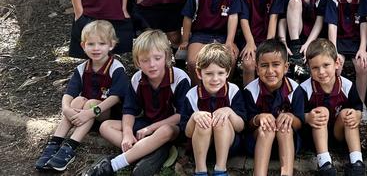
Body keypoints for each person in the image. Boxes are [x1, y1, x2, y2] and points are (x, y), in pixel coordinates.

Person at [83, 30, 191, 176]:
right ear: (138, 61)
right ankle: (152, 152)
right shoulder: (137, 79)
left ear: (166, 56)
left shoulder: (179, 78)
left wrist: (151, 129)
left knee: (166, 130)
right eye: (145, 60)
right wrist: (127, 133)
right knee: (105, 126)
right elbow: (129, 109)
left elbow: (181, 115)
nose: (152, 65)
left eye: (157, 58)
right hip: (147, 124)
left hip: (171, 128)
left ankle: (113, 165)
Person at [35, 21, 127, 171]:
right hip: (84, 114)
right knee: (77, 100)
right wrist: (66, 109)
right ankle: (54, 144)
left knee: (90, 102)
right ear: (83, 46)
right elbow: (69, 93)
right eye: (91, 44)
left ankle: (70, 148)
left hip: (106, 115)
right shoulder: (82, 68)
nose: (96, 48)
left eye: (101, 43)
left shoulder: (116, 68)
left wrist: (90, 112)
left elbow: (115, 98)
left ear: (111, 45)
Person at [300, 39, 365, 176]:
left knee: (349, 113)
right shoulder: (305, 89)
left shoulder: (347, 85)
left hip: (338, 134)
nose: (321, 72)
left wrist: (357, 115)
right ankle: (324, 163)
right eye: (315, 68)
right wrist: (307, 117)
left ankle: (357, 162)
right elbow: (297, 114)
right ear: (309, 68)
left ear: (337, 63)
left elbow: (358, 107)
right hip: (314, 136)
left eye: (326, 65)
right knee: (320, 111)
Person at [180, 43, 246, 176]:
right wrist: (194, 117)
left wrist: (229, 111)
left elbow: (241, 127)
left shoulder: (233, 91)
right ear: (199, 73)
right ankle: (200, 170)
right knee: (202, 121)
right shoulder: (192, 95)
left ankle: (220, 169)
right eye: (209, 73)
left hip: (228, 147)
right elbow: (186, 133)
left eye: (220, 73)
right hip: (200, 148)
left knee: (221, 120)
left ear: (227, 72)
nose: (215, 79)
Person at [242, 39, 305, 176]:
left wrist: (291, 118)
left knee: (285, 127)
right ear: (257, 69)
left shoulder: (295, 90)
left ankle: (286, 173)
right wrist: (259, 118)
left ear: (286, 67)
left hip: (288, 142)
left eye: (276, 65)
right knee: (267, 128)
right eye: (264, 66)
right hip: (258, 142)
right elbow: (246, 125)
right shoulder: (250, 91)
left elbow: (300, 123)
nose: (270, 71)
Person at [180, 0, 239, 85]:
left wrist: (230, 41)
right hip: (201, 35)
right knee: (194, 62)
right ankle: (199, 90)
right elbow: (188, 17)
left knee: (230, 58)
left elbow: (233, 16)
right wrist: (185, 40)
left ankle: (224, 90)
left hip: (224, 35)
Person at [231, 0, 285, 85]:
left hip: (269, 38)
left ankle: (268, 98)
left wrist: (268, 45)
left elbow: (274, 18)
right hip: (249, 38)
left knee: (270, 63)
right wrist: (250, 42)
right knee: (249, 64)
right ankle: (250, 97)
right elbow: (243, 19)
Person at [324, 0, 367, 106]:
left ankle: (360, 104)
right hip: (339, 41)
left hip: (358, 41)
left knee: (362, 65)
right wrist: (334, 51)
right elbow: (332, 26)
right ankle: (337, 102)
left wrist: (363, 48)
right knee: (336, 65)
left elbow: (364, 24)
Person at [280, 0, 329, 81]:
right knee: (295, 2)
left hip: (314, 38)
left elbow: (319, 22)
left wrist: (309, 43)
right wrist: (283, 42)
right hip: (295, 35)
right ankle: (296, 52)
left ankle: (302, 62)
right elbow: (283, 21)